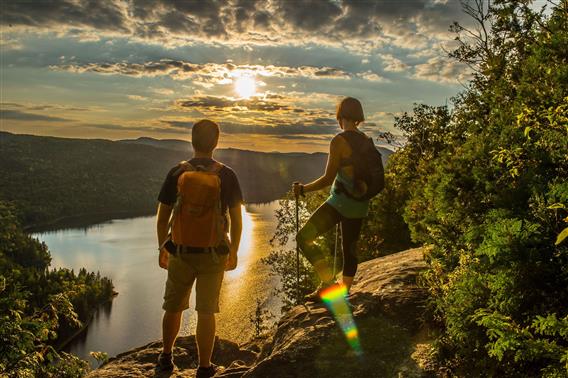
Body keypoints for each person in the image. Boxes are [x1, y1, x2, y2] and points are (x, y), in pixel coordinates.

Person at [155, 119, 243, 377]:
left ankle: (166, 357)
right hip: (213, 254)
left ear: (192, 141)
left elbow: (162, 217)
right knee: (206, 311)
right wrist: (234, 251)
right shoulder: (227, 175)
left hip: (180, 252)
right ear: (216, 142)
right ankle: (204, 367)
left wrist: (163, 246)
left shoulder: (177, 172)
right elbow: (237, 220)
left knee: (173, 306)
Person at [293, 97, 371, 301]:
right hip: (361, 204)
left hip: (340, 203)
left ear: (341, 116)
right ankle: (344, 293)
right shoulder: (365, 141)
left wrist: (303, 189)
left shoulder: (339, 141)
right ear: (358, 117)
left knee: (304, 237)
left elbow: (328, 178)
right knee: (349, 249)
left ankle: (327, 283)